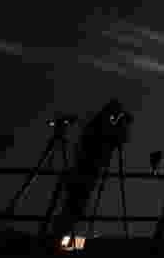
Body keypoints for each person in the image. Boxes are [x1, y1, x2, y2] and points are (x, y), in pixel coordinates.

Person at [51, 100, 133, 241]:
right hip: (87, 171)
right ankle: (59, 236)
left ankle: (60, 236)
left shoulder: (98, 123)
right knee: (75, 207)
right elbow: (120, 138)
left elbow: (118, 139)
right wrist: (122, 125)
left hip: (85, 170)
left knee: (73, 206)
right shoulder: (101, 125)